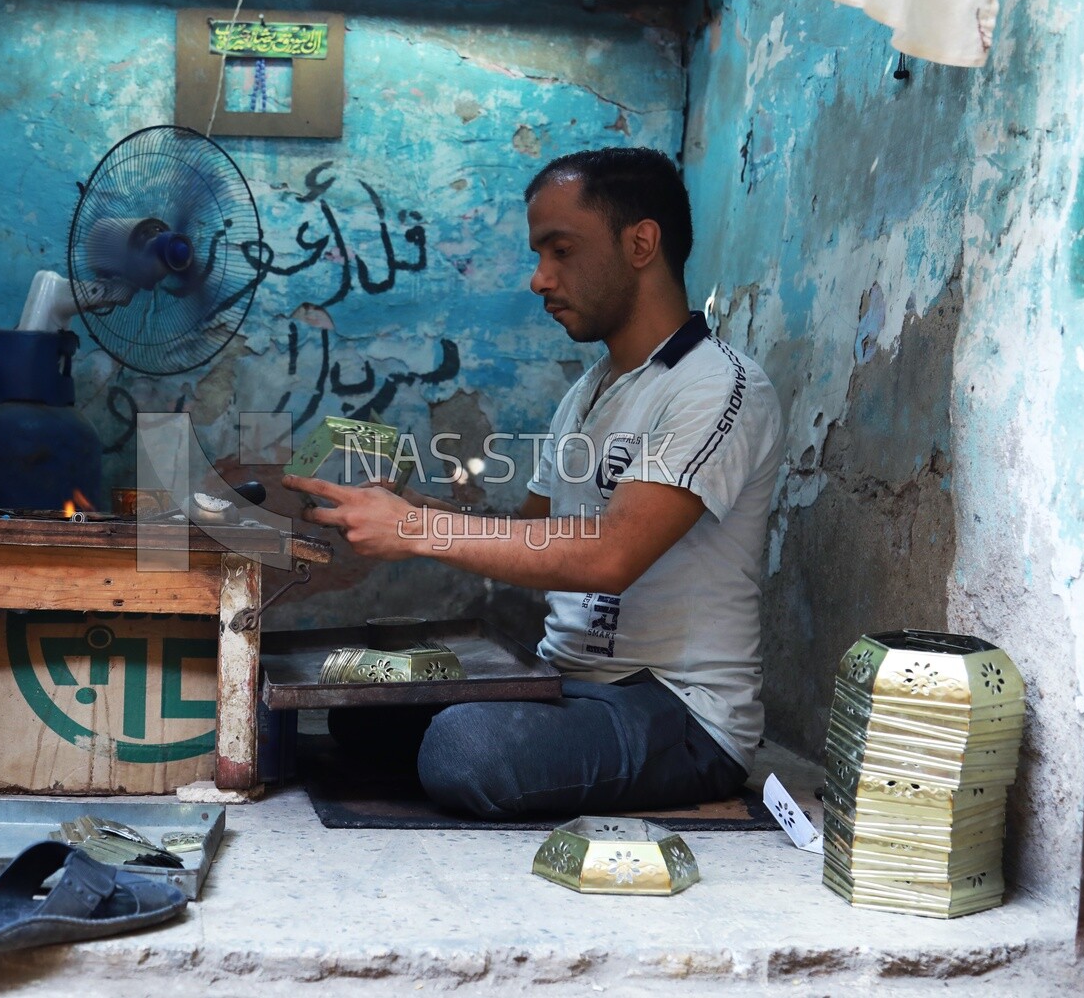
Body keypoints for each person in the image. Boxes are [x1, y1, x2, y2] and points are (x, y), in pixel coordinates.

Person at [282, 147, 784, 818]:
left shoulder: (718, 383)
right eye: (538, 254)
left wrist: (416, 531)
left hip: (679, 712)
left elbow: (610, 557)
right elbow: (538, 539)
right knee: (360, 712)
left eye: (561, 250)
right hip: (564, 682)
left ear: (641, 243)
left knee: (465, 749)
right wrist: (418, 508)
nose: (539, 279)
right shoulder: (588, 393)